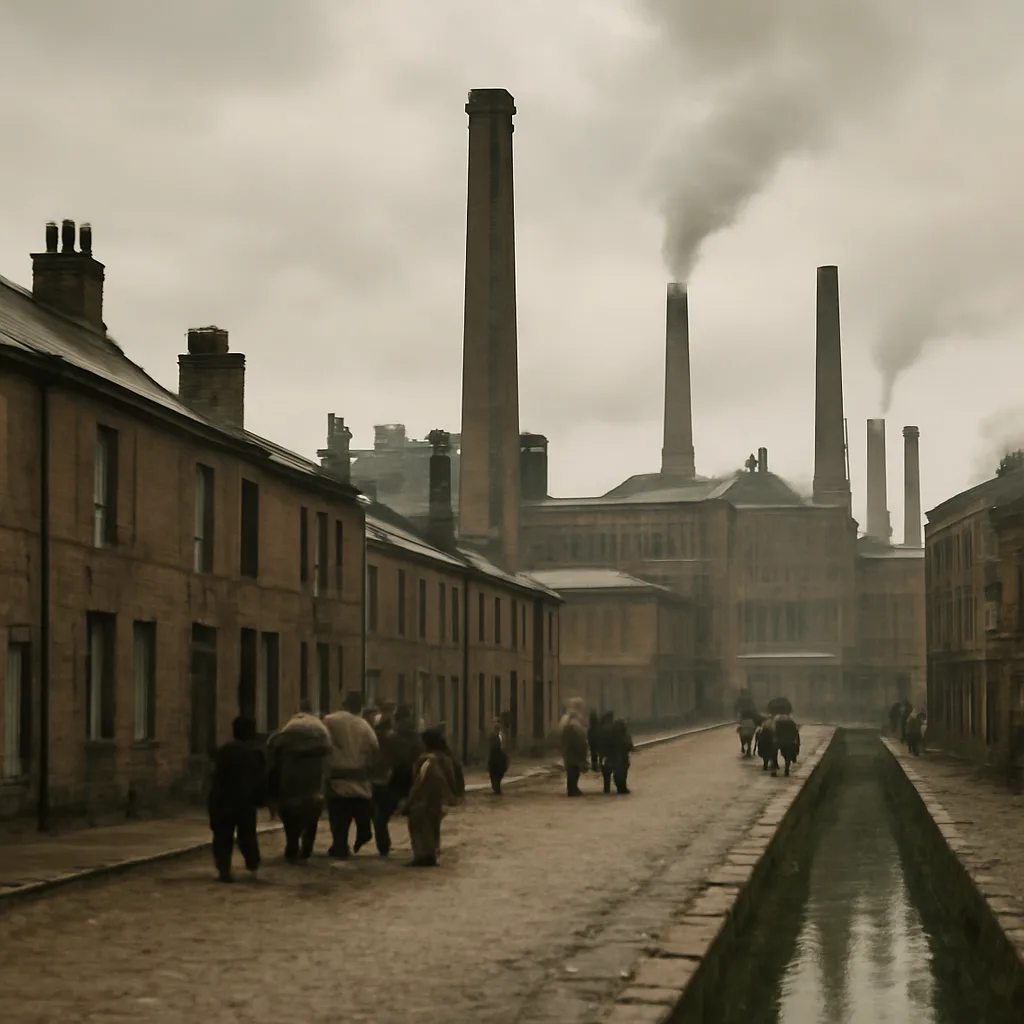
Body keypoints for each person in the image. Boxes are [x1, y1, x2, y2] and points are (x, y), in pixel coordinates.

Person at [266, 700, 331, 862]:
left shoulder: (290, 726)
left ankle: (292, 843)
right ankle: (307, 845)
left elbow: (273, 747)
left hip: (291, 773)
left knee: (289, 809)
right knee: (312, 810)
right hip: (312, 776)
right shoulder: (319, 727)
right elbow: (328, 750)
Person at [208, 715, 267, 883]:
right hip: (245, 801)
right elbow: (261, 778)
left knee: (222, 835)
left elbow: (216, 775)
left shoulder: (226, 750)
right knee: (247, 834)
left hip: (223, 799)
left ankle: (224, 869)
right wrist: (261, 799)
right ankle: (252, 867)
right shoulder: (256, 752)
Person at [323, 691, 380, 858]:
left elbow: (323, 741)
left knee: (339, 816)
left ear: (344, 704)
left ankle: (339, 845)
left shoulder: (330, 720)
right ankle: (364, 831)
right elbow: (375, 749)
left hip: (337, 776)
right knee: (360, 808)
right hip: (359, 777)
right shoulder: (364, 725)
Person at [406, 726, 463, 867]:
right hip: (440, 800)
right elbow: (453, 780)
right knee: (434, 826)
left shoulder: (427, 760)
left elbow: (419, 782)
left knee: (418, 826)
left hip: (424, 799)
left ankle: (422, 856)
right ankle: (432, 853)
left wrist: (410, 801)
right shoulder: (446, 758)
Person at [559, 698, 590, 797]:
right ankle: (572, 789)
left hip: (571, 749)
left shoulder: (572, 719)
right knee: (572, 770)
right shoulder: (571, 721)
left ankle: (573, 788)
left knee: (574, 770)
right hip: (572, 749)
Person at [605, 718, 634, 794]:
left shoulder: (611, 734)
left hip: (614, 757)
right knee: (623, 773)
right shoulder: (625, 734)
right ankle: (623, 788)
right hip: (623, 757)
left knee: (617, 773)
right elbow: (629, 745)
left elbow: (607, 745)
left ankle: (620, 787)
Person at [487, 718, 509, 795]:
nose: (496, 726)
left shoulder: (501, 735)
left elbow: (504, 745)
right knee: (494, 773)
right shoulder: (492, 735)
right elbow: (490, 746)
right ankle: (496, 788)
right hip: (494, 756)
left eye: (498, 724)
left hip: (500, 756)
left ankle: (497, 788)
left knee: (499, 773)